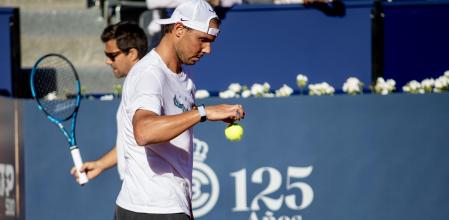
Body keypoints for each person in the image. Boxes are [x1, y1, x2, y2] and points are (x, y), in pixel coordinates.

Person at [115, 0, 245, 219]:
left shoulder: (185, 80)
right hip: (149, 209)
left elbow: (176, 142)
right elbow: (144, 131)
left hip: (170, 206)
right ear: (178, 29)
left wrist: (187, 208)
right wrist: (203, 112)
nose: (208, 49)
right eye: (202, 40)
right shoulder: (150, 74)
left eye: (211, 41)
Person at [71, 21, 148, 182]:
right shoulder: (134, 83)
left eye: (112, 55)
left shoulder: (145, 85)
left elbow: (149, 134)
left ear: (132, 54)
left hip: (147, 193)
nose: (107, 61)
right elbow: (129, 141)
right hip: (135, 190)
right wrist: (100, 165)